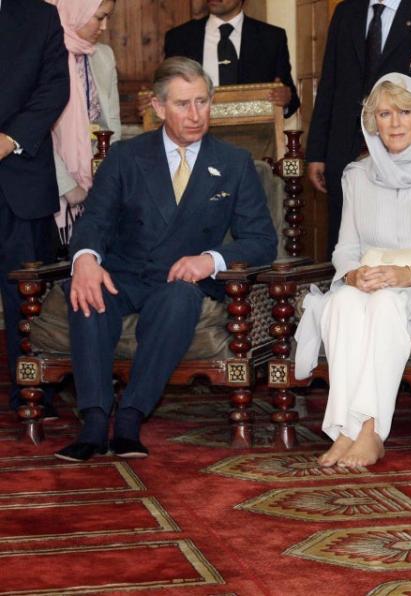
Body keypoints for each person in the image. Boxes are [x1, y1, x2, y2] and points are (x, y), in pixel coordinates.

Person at [55, 57, 277, 462]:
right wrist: (85, 259)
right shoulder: (125, 156)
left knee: (180, 299)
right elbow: (95, 223)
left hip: (180, 282)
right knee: (85, 291)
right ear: (157, 108)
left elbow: (262, 240)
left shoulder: (233, 163)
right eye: (182, 104)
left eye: (202, 102)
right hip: (123, 274)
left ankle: (130, 418)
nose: (195, 115)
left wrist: (211, 259)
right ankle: (93, 418)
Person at [294, 72, 411, 469]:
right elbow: (345, 248)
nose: (395, 122)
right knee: (342, 304)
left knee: (384, 307)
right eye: (384, 113)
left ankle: (370, 432)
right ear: (371, 122)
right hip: (373, 277)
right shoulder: (357, 175)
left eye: (404, 111)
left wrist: (409, 274)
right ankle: (346, 427)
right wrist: (351, 275)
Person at [305, 0, 411, 258]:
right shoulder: (346, 12)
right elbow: (329, 84)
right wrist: (317, 151)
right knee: (345, 244)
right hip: (346, 152)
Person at [0, 0, 69, 415]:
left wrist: (9, 140)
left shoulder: (40, 15)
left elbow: (54, 87)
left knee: (26, 297)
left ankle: (32, 393)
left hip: (20, 178)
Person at [48, 0, 121, 255]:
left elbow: (112, 122)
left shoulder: (103, 55)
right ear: (75, 9)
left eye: (108, 18)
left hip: (98, 175)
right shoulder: (43, 53)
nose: (104, 26)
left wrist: (111, 176)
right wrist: (67, 186)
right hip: (51, 183)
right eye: (99, 17)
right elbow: (37, 131)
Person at [163, 0, 299, 118]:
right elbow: (166, 93)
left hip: (253, 141)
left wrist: (285, 99)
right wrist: (147, 103)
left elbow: (291, 99)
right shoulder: (179, 38)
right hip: (194, 140)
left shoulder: (271, 38)